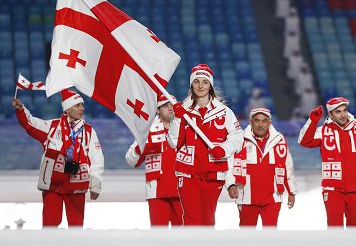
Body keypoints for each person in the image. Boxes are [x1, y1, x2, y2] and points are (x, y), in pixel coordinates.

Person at [12, 89, 104, 227]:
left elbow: (97, 159)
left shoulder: (89, 131)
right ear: (67, 108)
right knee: (49, 226)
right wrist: (21, 109)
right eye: (77, 105)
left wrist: (95, 185)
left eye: (82, 105)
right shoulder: (52, 127)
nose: (82, 109)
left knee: (76, 227)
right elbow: (30, 124)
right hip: (53, 186)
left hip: (77, 186)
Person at [168, 64, 243, 226]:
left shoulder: (224, 112)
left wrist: (223, 148)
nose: (200, 86)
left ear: (210, 86)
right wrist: (178, 119)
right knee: (191, 218)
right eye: (196, 82)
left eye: (205, 82)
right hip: (187, 173)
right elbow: (173, 142)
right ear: (191, 85)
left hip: (214, 173)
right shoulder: (182, 111)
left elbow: (238, 137)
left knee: (208, 219)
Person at [298, 97, 356, 228]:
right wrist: (313, 120)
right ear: (330, 114)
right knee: (335, 231)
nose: (343, 115)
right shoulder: (323, 131)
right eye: (338, 112)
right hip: (332, 190)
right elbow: (304, 141)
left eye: (344, 110)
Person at [226, 108, 296, 228]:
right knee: (246, 235)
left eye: (264, 121)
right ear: (251, 122)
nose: (260, 124)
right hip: (246, 197)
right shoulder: (239, 140)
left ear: (270, 123)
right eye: (257, 121)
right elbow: (229, 164)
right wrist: (230, 184)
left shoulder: (279, 140)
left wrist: (291, 192)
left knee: (270, 236)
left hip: (273, 197)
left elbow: (287, 166)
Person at [125, 94, 182, 227]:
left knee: (183, 235)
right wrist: (141, 147)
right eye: (165, 105)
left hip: (181, 190)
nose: (170, 108)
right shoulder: (147, 130)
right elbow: (130, 160)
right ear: (157, 109)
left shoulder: (185, 127)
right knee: (158, 236)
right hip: (156, 192)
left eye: (171, 105)